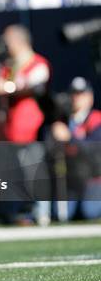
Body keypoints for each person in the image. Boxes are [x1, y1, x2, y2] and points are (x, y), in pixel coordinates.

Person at [0, 24, 50, 143]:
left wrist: (6, 87)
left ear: (18, 41)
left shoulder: (38, 64)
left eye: (7, 42)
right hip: (5, 132)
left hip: (28, 133)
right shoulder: (6, 65)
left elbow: (35, 86)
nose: (4, 46)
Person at [50, 77, 101, 220]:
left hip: (93, 178)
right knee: (62, 215)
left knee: (89, 212)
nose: (76, 98)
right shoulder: (63, 120)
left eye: (81, 94)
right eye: (74, 94)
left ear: (90, 97)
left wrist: (70, 138)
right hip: (72, 180)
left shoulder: (96, 119)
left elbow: (94, 153)